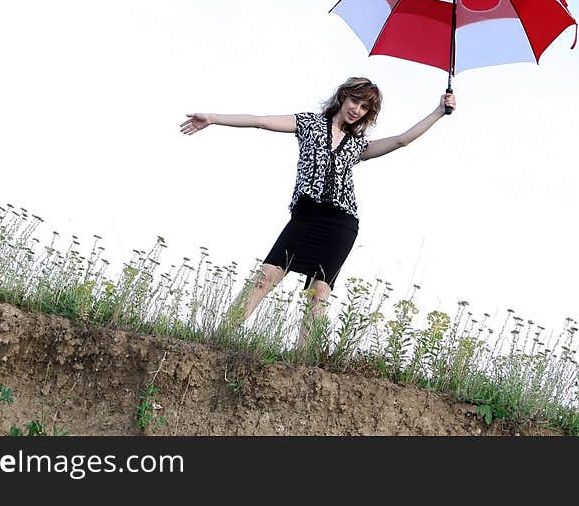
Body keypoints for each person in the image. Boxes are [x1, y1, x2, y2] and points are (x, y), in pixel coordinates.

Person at [179, 76, 455, 348]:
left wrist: (439, 112)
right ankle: (218, 339)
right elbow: (260, 121)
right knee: (265, 278)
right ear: (343, 97)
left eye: (363, 108)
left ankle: (304, 360)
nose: (356, 109)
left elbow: (401, 141)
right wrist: (213, 118)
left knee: (319, 292)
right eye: (354, 100)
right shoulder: (309, 123)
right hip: (305, 217)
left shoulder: (358, 145)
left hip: (341, 223)